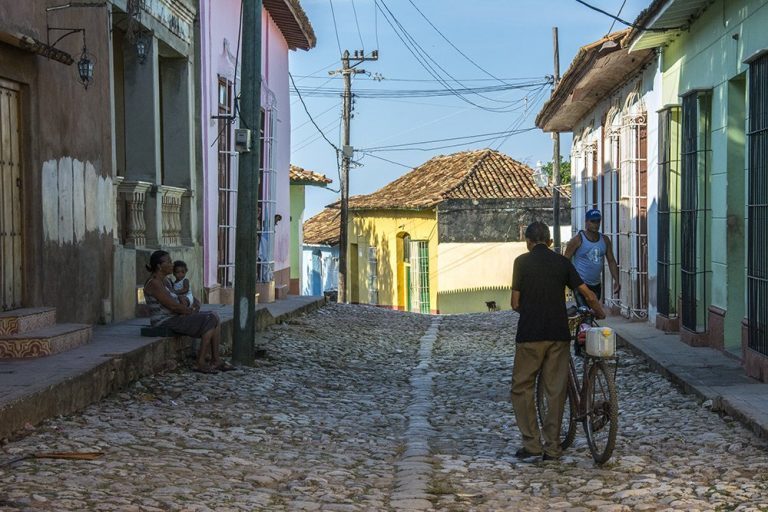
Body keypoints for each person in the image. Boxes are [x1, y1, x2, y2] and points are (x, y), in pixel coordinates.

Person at [510, 221, 605, 461]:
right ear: (550, 242)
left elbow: (514, 303)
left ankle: (532, 444)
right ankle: (552, 447)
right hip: (558, 334)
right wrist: (599, 312)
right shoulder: (562, 263)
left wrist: (530, 310)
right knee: (555, 390)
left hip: (530, 335)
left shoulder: (521, 262)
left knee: (522, 387)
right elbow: (587, 293)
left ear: (528, 242)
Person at [144, 250, 235, 374]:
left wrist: (185, 303)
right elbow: (173, 305)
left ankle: (216, 360)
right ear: (159, 266)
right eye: (169, 262)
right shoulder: (154, 283)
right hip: (165, 321)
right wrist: (189, 310)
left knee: (215, 317)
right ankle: (200, 362)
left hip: (175, 316)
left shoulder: (165, 281)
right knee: (210, 318)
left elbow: (178, 299)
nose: (172, 264)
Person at [563, 208, 620, 308]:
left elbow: (611, 261)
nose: (596, 224)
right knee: (585, 311)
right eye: (592, 221)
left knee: (593, 312)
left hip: (596, 284)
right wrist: (566, 280)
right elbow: (565, 260)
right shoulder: (577, 240)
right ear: (586, 222)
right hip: (580, 284)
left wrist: (616, 280)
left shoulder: (605, 240)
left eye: (598, 221)